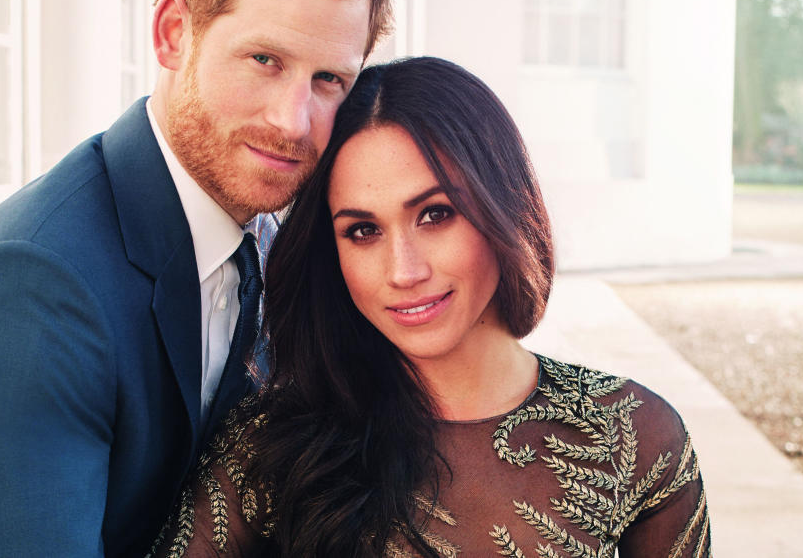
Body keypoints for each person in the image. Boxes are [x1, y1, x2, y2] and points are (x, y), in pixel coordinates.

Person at [0, 0, 391, 555]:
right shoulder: (36, 281)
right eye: (264, 60)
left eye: (329, 80)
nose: (293, 121)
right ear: (173, 33)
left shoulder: (277, 235)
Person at [149, 57, 712, 557]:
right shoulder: (269, 448)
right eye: (363, 230)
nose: (404, 271)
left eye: (436, 214)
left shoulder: (633, 438)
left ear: (502, 208)